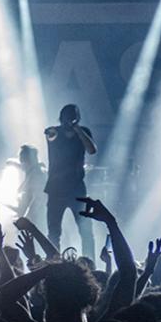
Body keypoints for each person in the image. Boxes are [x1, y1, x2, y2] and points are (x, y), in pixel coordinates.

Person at [44, 104, 98, 257]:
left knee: (85, 230)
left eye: (73, 117)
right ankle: (53, 263)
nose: (70, 120)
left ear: (78, 118)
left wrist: (78, 130)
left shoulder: (84, 132)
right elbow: (50, 137)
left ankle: (89, 262)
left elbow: (92, 150)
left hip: (77, 189)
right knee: (54, 231)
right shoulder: (53, 131)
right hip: (56, 188)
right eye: (68, 116)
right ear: (62, 118)